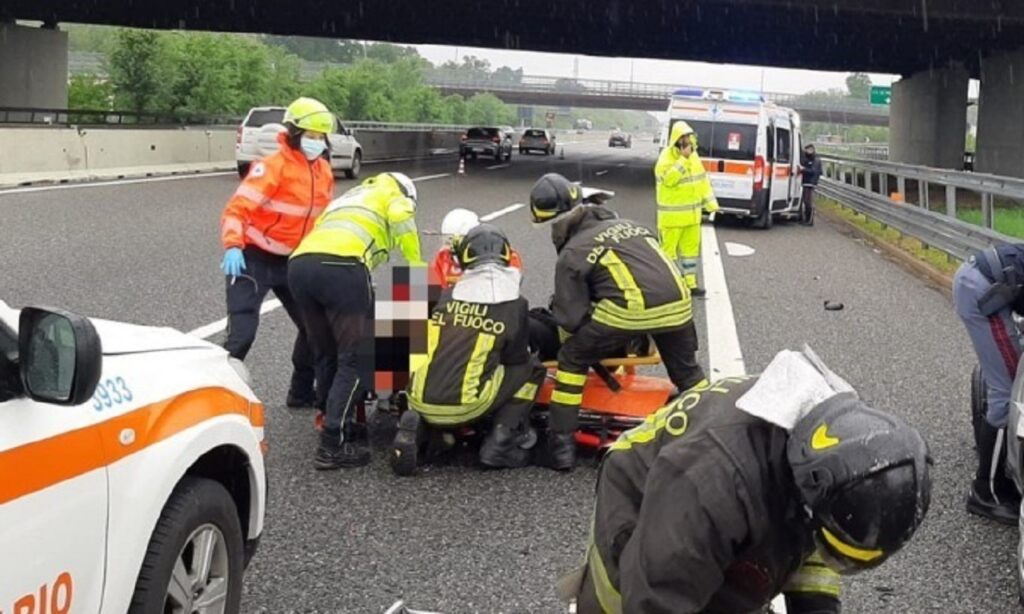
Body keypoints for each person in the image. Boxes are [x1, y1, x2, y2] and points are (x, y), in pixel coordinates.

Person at [557, 347, 933, 614]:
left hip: (714, 492)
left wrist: (816, 606)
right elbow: (656, 600)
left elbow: (813, 538)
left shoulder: (837, 446)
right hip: (643, 506)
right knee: (633, 597)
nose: (829, 559)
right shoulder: (709, 485)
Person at [528, 172, 707, 471]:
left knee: (572, 357)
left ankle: (561, 447)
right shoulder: (635, 227)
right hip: (679, 307)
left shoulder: (573, 252)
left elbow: (570, 319)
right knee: (688, 373)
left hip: (628, 312)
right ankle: (713, 430)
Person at [288, 172, 425, 470]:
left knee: (326, 352)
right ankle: (331, 445)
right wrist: (417, 267)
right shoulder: (394, 194)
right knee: (356, 358)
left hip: (299, 266)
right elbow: (401, 217)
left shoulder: (351, 196)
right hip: (342, 267)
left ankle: (334, 421)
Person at [394, 224, 545, 475]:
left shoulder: (443, 296)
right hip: (468, 405)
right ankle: (501, 440)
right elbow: (515, 359)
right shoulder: (515, 304)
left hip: (418, 397)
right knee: (532, 368)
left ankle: (424, 427)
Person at [218, 96, 335, 408]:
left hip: (294, 263)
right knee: (241, 335)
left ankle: (300, 393)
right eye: (310, 135)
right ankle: (218, 397)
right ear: (294, 134)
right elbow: (236, 210)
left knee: (314, 330)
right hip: (252, 258)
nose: (316, 142)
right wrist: (233, 245)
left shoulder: (323, 171)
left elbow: (321, 220)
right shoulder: (271, 168)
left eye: (320, 136)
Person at [953, 245, 1024, 524]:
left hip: (981, 282)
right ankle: (987, 491)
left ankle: (1001, 463)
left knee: (1007, 379)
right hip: (982, 290)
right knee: (1008, 392)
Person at [654, 121, 719, 297]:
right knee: (668, 254)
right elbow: (669, 180)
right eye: (683, 137)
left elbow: (702, 181)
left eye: (688, 137)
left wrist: (711, 203)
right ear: (675, 139)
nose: (686, 141)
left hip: (692, 217)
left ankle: (690, 284)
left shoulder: (694, 157)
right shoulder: (665, 159)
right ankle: (670, 286)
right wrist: (683, 159)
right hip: (672, 219)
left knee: (690, 254)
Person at [430, 208, 523, 289]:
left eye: (453, 241)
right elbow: (434, 290)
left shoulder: (503, 254)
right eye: (447, 240)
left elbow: (511, 286)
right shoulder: (443, 257)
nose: (449, 246)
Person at [800, 144, 823, 226]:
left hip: (810, 183)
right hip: (807, 182)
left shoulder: (816, 160)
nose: (807, 151)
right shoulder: (808, 158)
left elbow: (813, 171)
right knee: (806, 201)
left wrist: (803, 169)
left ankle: (809, 220)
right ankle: (806, 219)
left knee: (808, 202)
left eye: (808, 150)